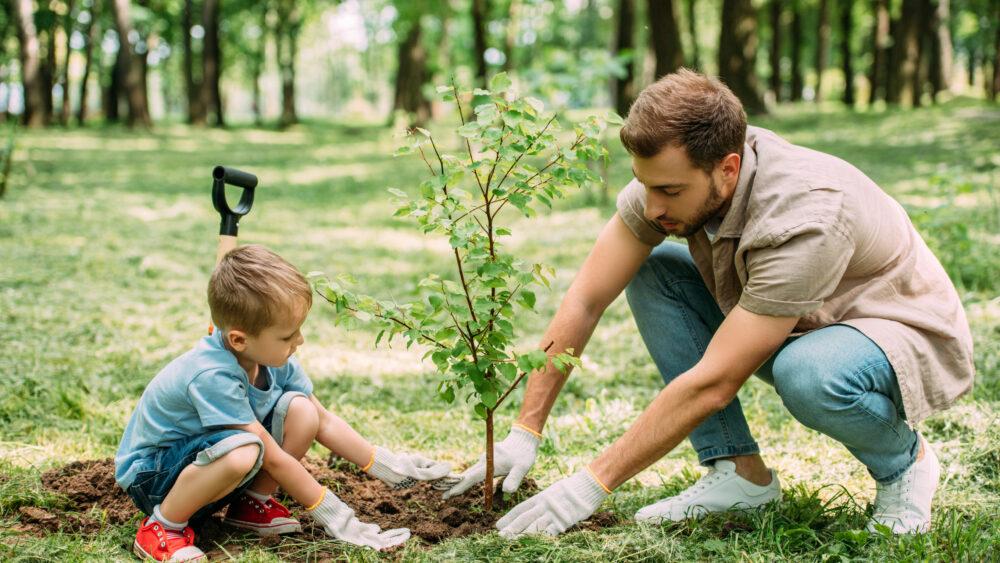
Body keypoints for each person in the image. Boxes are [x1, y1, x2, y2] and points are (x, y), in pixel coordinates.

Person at [443, 69, 974, 537]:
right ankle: (739, 475)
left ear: (727, 167)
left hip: (893, 330)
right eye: (643, 185)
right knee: (654, 272)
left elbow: (717, 381)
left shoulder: (806, 216)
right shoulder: (668, 179)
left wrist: (589, 484)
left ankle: (905, 465)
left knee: (807, 372)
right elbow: (586, 297)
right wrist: (524, 429)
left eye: (670, 192)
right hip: (798, 316)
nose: (652, 207)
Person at [115, 244, 451, 561]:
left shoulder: (271, 356)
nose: (299, 341)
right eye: (288, 336)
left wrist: (391, 468)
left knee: (302, 412)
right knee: (244, 449)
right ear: (238, 339)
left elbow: (324, 420)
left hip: (205, 467)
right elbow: (272, 458)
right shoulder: (212, 374)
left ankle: (250, 505)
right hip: (155, 478)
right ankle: (162, 527)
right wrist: (338, 517)